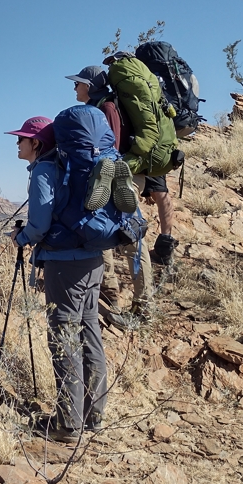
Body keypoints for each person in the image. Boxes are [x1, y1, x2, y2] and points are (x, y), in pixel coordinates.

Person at [6, 113, 108, 443]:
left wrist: (21, 239)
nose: (17, 143)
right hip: (92, 256)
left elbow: (39, 224)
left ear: (36, 143)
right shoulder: (70, 167)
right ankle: (93, 416)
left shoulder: (44, 172)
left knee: (64, 339)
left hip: (65, 265)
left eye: (21, 139)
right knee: (89, 332)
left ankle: (69, 424)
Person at [65, 65, 154, 318]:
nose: (74, 87)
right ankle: (110, 291)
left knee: (131, 238)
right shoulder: (102, 106)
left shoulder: (107, 108)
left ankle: (144, 306)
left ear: (90, 86)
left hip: (119, 177)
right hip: (113, 177)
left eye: (78, 83)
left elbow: (109, 148)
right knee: (103, 230)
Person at [103, 50, 180, 292]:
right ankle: (165, 244)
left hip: (142, 155)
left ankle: (138, 297)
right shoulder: (148, 83)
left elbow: (147, 130)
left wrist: (128, 157)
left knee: (129, 228)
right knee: (159, 195)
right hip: (159, 153)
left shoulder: (129, 87)